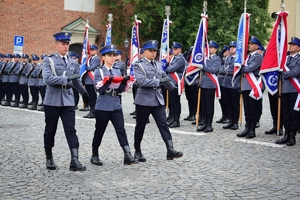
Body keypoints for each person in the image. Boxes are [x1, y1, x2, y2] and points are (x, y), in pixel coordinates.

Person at [42, 31, 90, 171]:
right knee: (50, 130)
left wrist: (84, 92)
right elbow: (47, 79)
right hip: (52, 100)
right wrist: (65, 79)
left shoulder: (72, 61)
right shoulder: (49, 60)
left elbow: (75, 79)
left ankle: (74, 160)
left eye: (67, 44)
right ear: (56, 45)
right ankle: (49, 158)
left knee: (71, 130)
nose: (66, 46)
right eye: (63, 44)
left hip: (68, 100)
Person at [133, 40, 183, 162]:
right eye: (151, 50)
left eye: (155, 51)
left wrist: (173, 88)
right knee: (140, 127)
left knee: (163, 125)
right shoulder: (138, 65)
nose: (153, 53)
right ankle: (137, 151)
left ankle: (170, 149)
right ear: (144, 52)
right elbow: (141, 81)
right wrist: (158, 82)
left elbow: (164, 78)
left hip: (157, 99)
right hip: (144, 100)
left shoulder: (159, 64)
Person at [90, 44, 138, 165]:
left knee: (121, 129)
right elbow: (99, 89)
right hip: (103, 105)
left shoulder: (117, 70)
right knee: (100, 130)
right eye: (110, 55)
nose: (113, 58)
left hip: (116, 104)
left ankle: (127, 155)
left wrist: (124, 81)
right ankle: (94, 154)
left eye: (114, 55)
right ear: (104, 57)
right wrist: (108, 81)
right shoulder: (99, 71)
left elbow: (120, 90)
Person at [236, 36, 263, 139]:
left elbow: (250, 68)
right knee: (247, 109)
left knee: (253, 109)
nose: (250, 45)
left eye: (252, 44)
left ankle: (252, 130)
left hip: (254, 85)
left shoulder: (258, 57)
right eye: (250, 44)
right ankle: (247, 128)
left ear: (257, 46)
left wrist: (241, 68)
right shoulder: (248, 57)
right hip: (246, 85)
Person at [275, 37, 300, 146]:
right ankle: (286, 134)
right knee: (285, 113)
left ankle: (292, 136)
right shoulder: (284, 59)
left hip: (294, 89)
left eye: (293, 45)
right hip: (285, 89)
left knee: (293, 113)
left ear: (298, 48)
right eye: (290, 44)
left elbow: (295, 72)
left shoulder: (299, 59)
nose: (290, 46)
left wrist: (282, 74)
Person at [196, 41, 222, 132]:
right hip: (203, 83)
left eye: (211, 47)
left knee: (209, 106)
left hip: (210, 84)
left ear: (215, 49)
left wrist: (202, 65)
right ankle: (204, 123)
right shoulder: (205, 58)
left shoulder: (217, 59)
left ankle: (209, 125)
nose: (209, 49)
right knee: (203, 105)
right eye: (209, 47)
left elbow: (213, 70)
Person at [165, 42, 186, 128]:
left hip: (176, 82)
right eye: (173, 49)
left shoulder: (180, 59)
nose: (173, 50)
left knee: (176, 102)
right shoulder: (174, 58)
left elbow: (172, 68)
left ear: (179, 50)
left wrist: (166, 67)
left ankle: (176, 120)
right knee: (172, 101)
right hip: (171, 82)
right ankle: (172, 117)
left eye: (175, 49)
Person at [221, 41, 240, 130]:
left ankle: (235, 122)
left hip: (234, 82)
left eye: (234, 47)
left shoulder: (239, 58)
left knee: (235, 104)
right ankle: (230, 120)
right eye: (231, 46)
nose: (231, 48)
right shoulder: (228, 58)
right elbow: (224, 69)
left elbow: (235, 70)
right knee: (227, 103)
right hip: (226, 81)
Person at [83, 45, 100, 119]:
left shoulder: (96, 59)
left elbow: (91, 68)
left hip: (92, 80)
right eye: (90, 50)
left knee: (93, 97)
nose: (91, 51)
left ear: (96, 51)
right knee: (89, 97)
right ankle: (91, 111)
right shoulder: (89, 59)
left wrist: (84, 67)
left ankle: (94, 111)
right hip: (88, 80)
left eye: (93, 50)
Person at [216, 45, 230, 124]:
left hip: (226, 81)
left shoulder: (229, 59)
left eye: (225, 51)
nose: (223, 53)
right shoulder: (223, 59)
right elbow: (219, 57)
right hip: (220, 82)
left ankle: (228, 116)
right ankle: (224, 115)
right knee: (221, 100)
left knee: (226, 100)